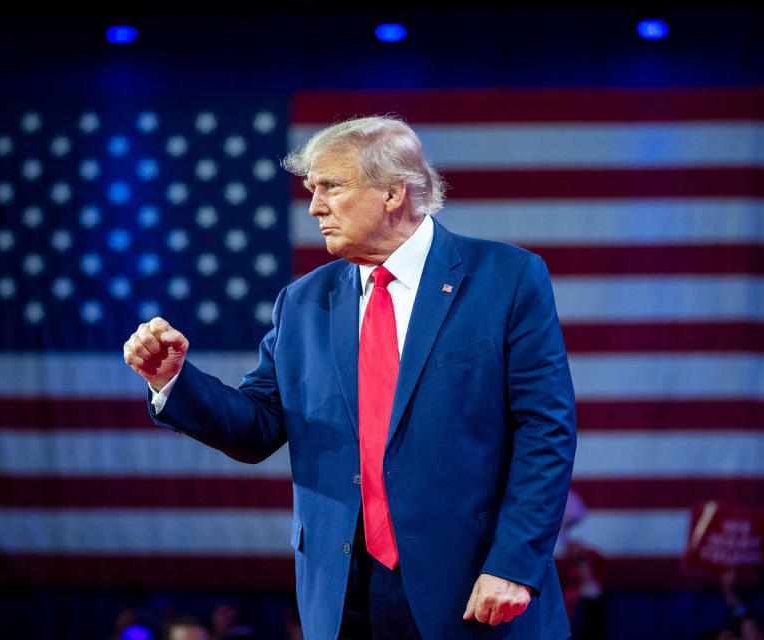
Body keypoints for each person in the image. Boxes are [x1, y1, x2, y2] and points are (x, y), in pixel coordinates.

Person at [123, 116, 576, 639]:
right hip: (344, 592)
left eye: (330, 188)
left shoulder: (506, 277)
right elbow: (258, 428)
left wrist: (513, 565)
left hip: (475, 583)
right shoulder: (303, 302)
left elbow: (546, 432)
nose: (315, 207)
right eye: (312, 190)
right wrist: (174, 381)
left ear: (392, 192)